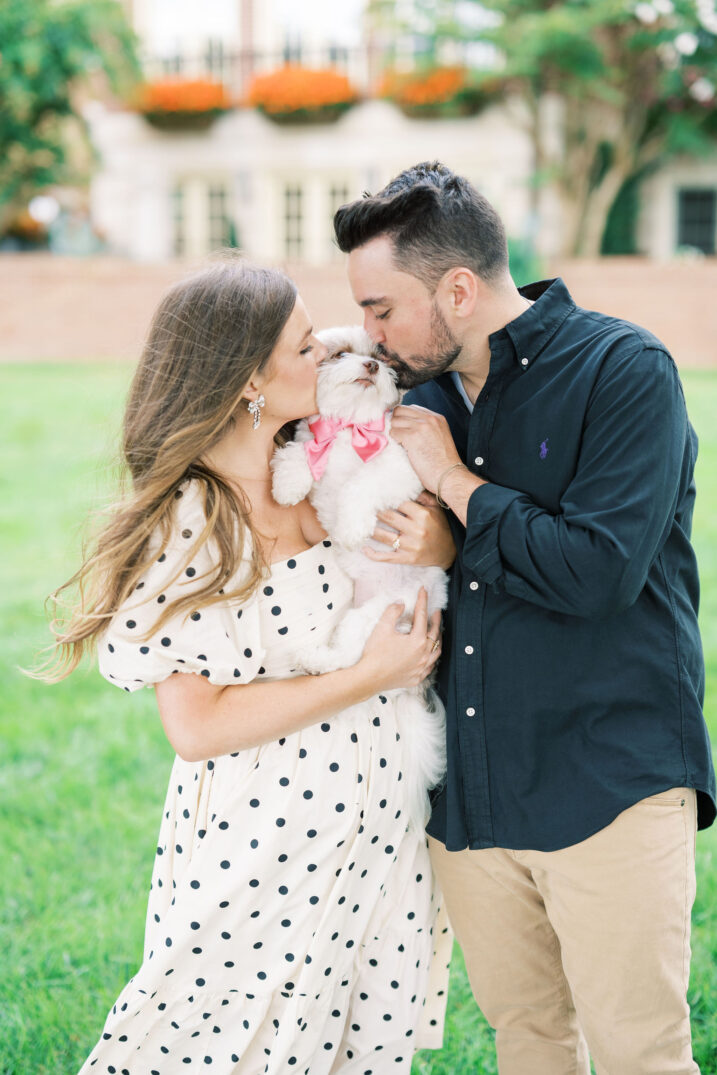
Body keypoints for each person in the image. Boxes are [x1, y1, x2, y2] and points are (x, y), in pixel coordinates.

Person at [333, 161, 716, 1075]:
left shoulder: (623, 372)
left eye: (382, 308)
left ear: (457, 288)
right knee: (529, 1047)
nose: (370, 334)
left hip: (608, 786)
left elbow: (596, 573)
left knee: (639, 1055)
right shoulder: (409, 398)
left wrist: (457, 493)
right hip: (471, 796)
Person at [43, 258, 455, 1074]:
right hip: (268, 841)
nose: (336, 354)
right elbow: (194, 726)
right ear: (246, 382)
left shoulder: (310, 472)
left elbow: (404, 561)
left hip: (376, 836)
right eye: (309, 348)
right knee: (228, 1046)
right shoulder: (195, 516)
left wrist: (438, 540)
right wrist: (367, 674)